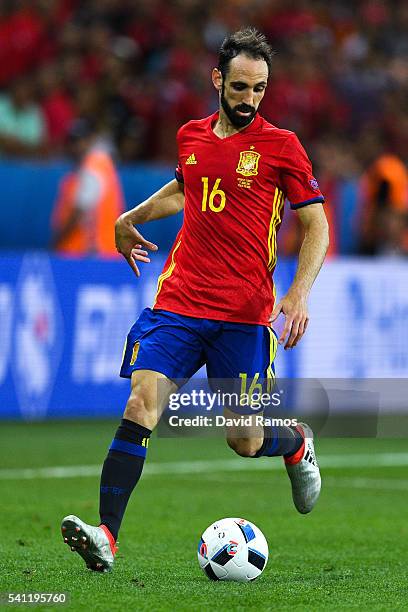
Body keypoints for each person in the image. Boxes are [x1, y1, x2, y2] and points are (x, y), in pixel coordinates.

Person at [61, 28, 329, 572]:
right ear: (217, 81)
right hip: (179, 304)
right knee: (141, 403)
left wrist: (299, 293)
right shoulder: (191, 136)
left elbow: (316, 223)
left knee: (246, 440)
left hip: (245, 316)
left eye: (259, 89)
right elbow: (185, 188)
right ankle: (106, 537)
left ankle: (295, 443)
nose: (249, 99)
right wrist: (130, 217)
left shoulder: (282, 147)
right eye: (239, 87)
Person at [51, 118, 124, 257]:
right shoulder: (98, 165)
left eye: (81, 140)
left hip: (91, 254)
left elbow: (79, 212)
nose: (77, 146)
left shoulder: (93, 166)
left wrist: (57, 241)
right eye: (73, 141)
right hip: (103, 252)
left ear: (90, 140)